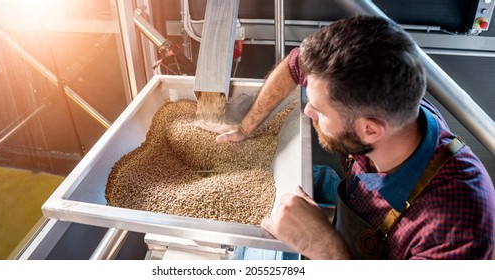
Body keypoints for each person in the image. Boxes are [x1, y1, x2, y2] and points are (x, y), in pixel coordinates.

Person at [198, 15, 495, 259]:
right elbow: (296, 65)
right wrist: (245, 127)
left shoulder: (456, 231)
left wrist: (326, 248)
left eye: (319, 111)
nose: (307, 112)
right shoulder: (380, 108)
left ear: (370, 130)